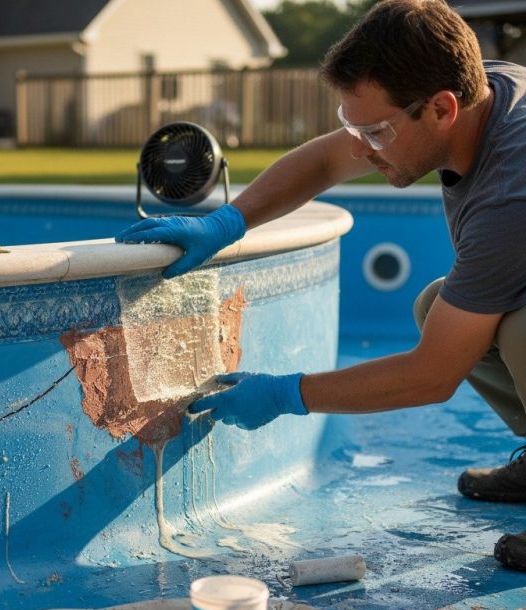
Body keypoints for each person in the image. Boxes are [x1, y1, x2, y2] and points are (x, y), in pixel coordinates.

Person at [115, 0, 526, 504]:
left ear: (443, 109)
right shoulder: (481, 87)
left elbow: (432, 375)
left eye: (374, 133)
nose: (359, 149)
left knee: (521, 327)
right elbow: (327, 161)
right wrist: (227, 222)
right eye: (353, 126)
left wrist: (289, 394)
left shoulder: (510, 197)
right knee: (439, 305)